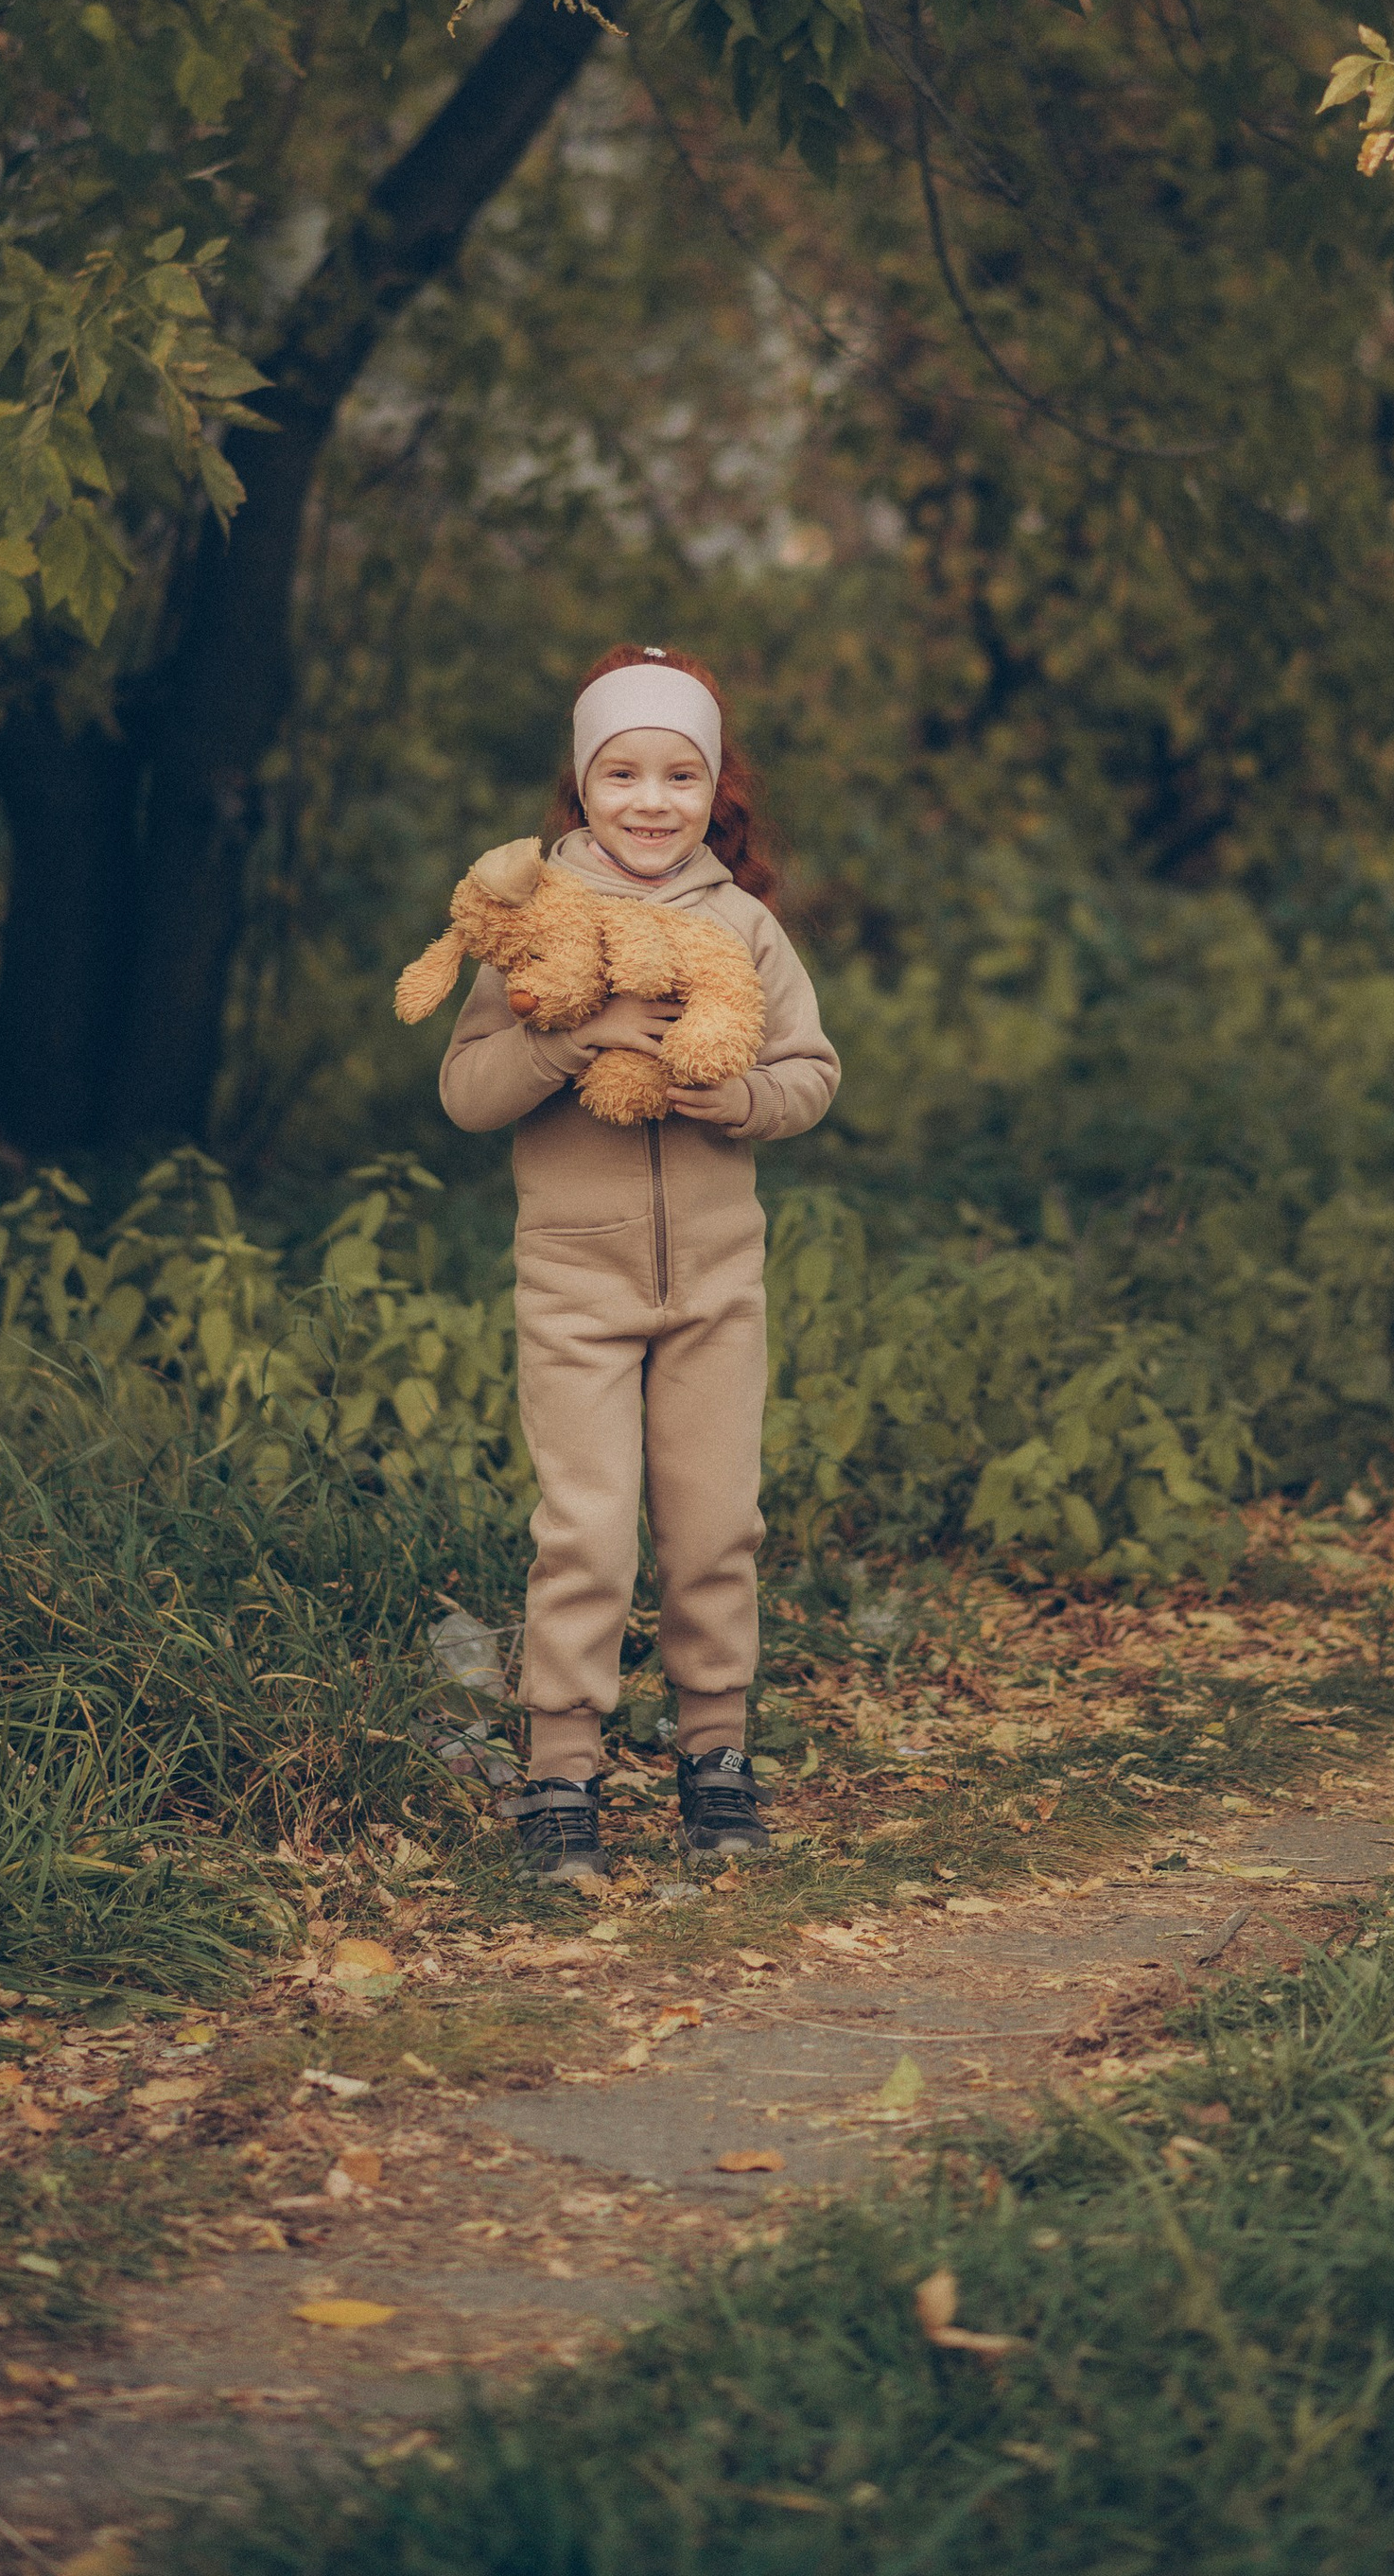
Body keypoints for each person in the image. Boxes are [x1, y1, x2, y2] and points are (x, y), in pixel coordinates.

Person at [436, 645, 840, 1884]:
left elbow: (813, 1075)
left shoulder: (746, 926)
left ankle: (715, 1758)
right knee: (590, 1536)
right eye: (623, 772)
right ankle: (562, 1775)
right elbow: (467, 1094)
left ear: (714, 787)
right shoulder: (534, 922)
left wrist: (738, 1106)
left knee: (717, 1529)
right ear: (584, 780)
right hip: (577, 1293)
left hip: (718, 1289)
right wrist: (582, 1039)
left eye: (678, 773)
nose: (650, 799)